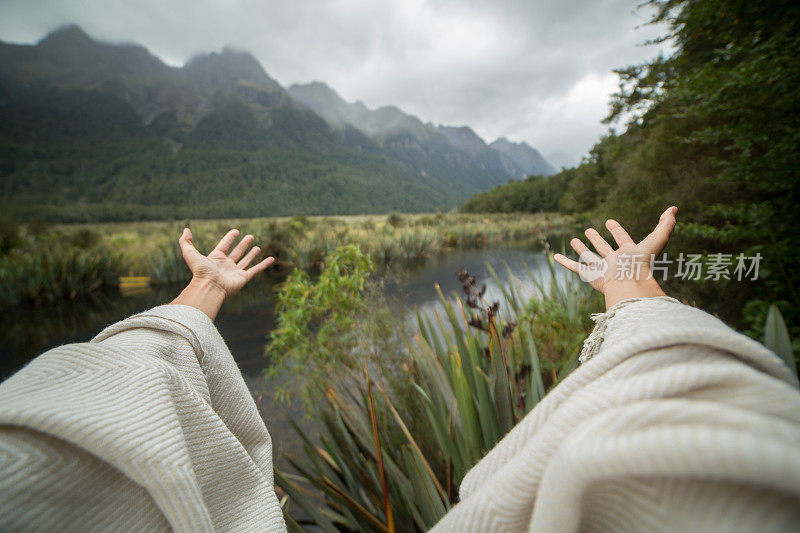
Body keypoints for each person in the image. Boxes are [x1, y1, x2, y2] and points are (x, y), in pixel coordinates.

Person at [1, 208, 799, 532]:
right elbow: (704, 427)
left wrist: (204, 290)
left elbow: (107, 401)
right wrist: (634, 291)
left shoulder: (25, 470)